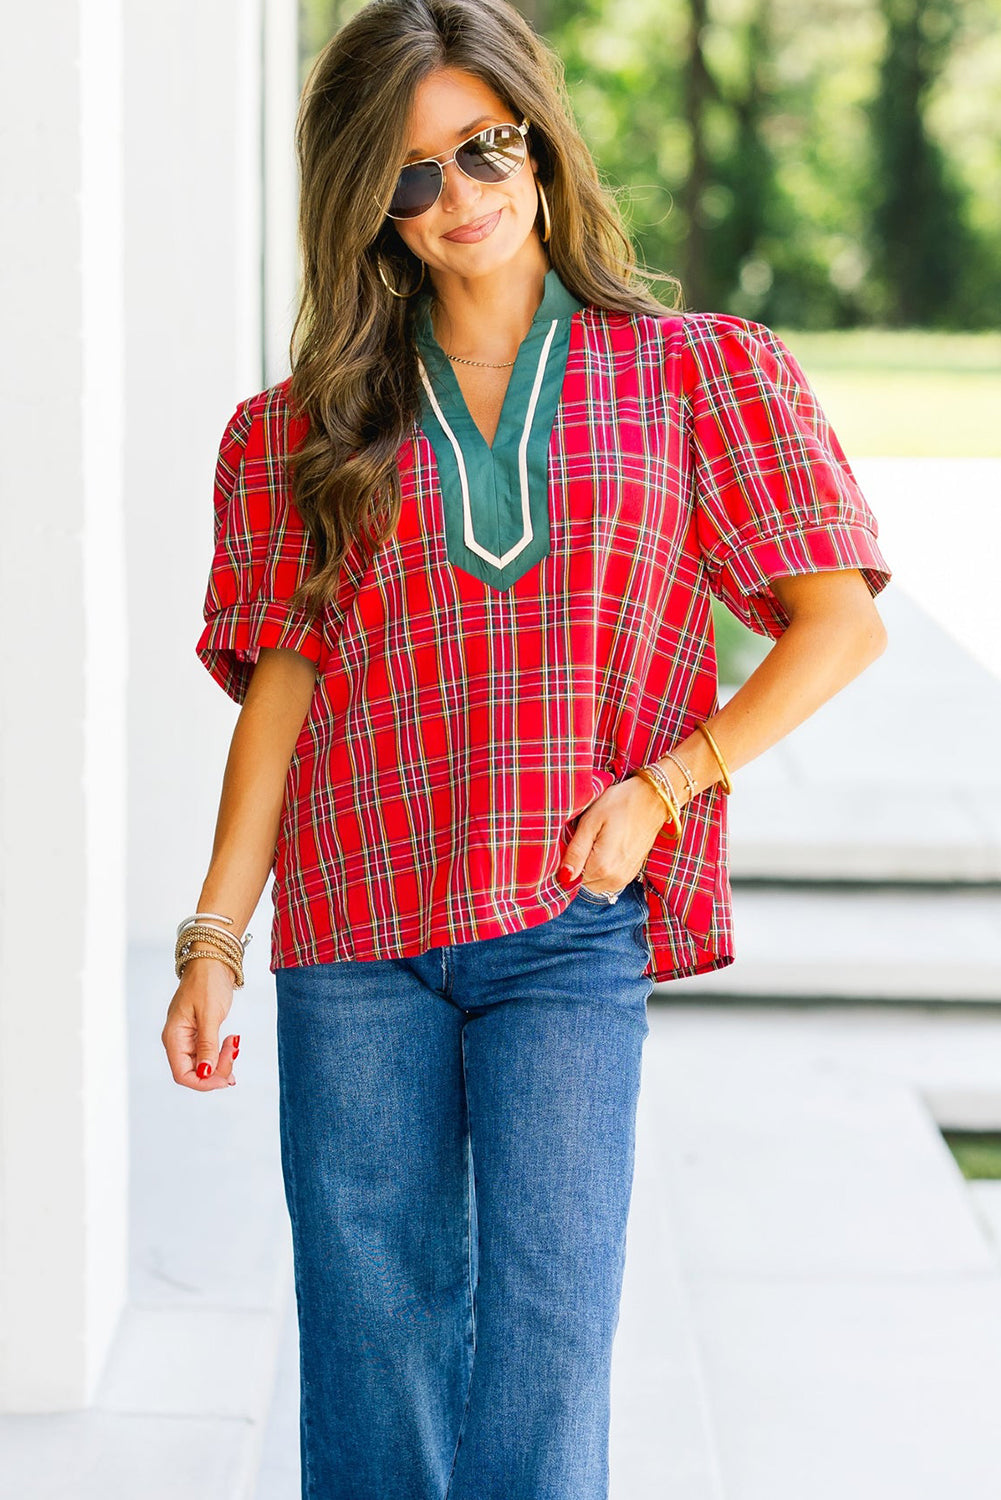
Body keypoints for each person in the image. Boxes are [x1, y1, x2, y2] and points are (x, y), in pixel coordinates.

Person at [161, 0, 892, 1494]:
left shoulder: (699, 373)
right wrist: (213, 936)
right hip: (356, 935)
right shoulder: (296, 431)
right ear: (369, 204)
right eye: (411, 175)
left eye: (482, 148)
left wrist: (664, 786)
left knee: (550, 1336)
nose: (459, 198)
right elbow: (284, 699)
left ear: (540, 141)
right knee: (370, 1339)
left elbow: (839, 626)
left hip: (567, 921)